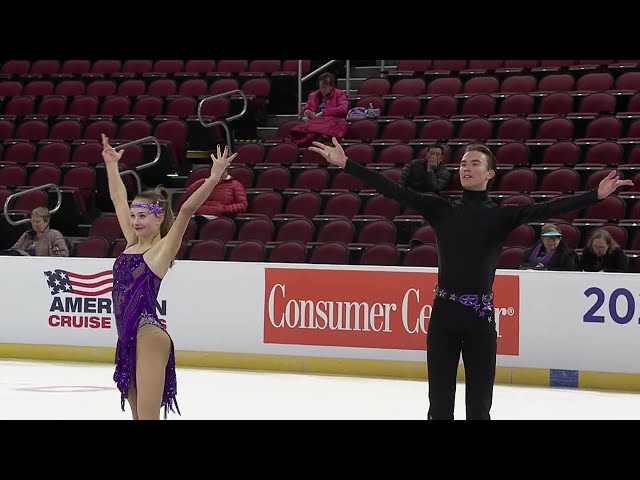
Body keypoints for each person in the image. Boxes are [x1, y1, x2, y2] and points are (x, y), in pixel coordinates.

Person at [309, 138, 633, 420]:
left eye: (475, 163)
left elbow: (549, 208)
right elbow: (392, 189)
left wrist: (596, 195)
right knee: (439, 409)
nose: (466, 168)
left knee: (479, 409)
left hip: (480, 320)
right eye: (463, 163)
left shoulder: (501, 215)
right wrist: (347, 163)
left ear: (490, 173)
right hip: (444, 316)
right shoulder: (440, 208)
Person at [102, 134, 236, 420]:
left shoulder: (160, 252)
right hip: (126, 338)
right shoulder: (131, 244)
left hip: (148, 335)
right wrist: (112, 165)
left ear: (159, 218)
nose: (135, 221)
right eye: (134, 216)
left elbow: (186, 210)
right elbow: (117, 198)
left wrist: (212, 178)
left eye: (142, 216)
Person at [182, 166, 247, 218]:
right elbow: (184, 200)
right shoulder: (200, 183)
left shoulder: (235, 185)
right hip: (196, 216)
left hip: (219, 218)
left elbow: (242, 205)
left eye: (225, 169)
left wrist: (224, 209)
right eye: (220, 169)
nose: (223, 171)